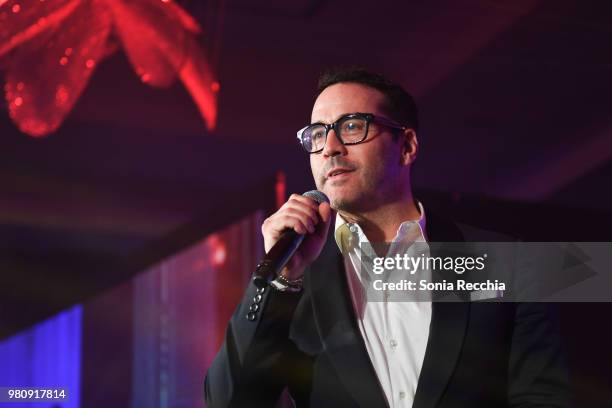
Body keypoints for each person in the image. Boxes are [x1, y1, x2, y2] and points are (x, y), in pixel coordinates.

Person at [204, 68, 570, 407]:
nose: (329, 147)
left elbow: (542, 396)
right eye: (317, 134)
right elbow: (229, 401)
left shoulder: (507, 260)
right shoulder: (297, 280)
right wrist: (280, 282)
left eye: (351, 127)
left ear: (407, 146)